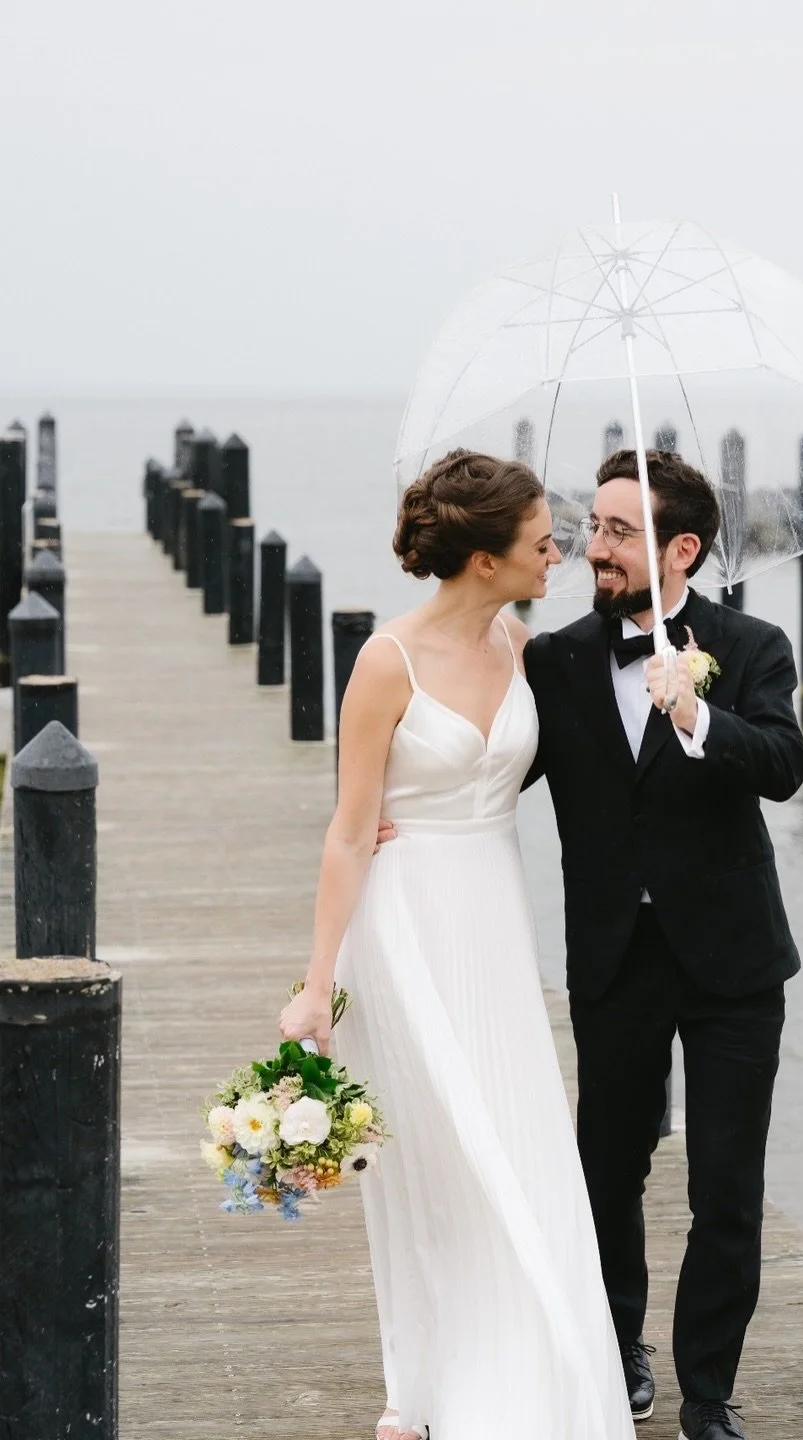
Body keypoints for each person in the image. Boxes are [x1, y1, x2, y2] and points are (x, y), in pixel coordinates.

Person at [278, 449, 636, 1440]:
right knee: (432, 1158)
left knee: (516, 1142)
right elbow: (351, 830)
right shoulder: (384, 662)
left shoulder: (521, 644)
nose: (558, 552)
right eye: (540, 542)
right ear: (484, 559)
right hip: (404, 923)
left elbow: (522, 772)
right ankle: (420, 1384)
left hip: (495, 918)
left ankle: (530, 1366)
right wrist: (316, 988)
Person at [522, 448, 803, 1440]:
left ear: (681, 547)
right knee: (608, 1168)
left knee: (728, 1186)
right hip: (613, 956)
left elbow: (782, 766)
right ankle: (618, 1348)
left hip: (733, 963)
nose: (591, 546)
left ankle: (709, 1393)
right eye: (591, 526)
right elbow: (494, 772)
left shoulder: (754, 643)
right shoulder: (555, 660)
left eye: (615, 531)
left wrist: (697, 712)